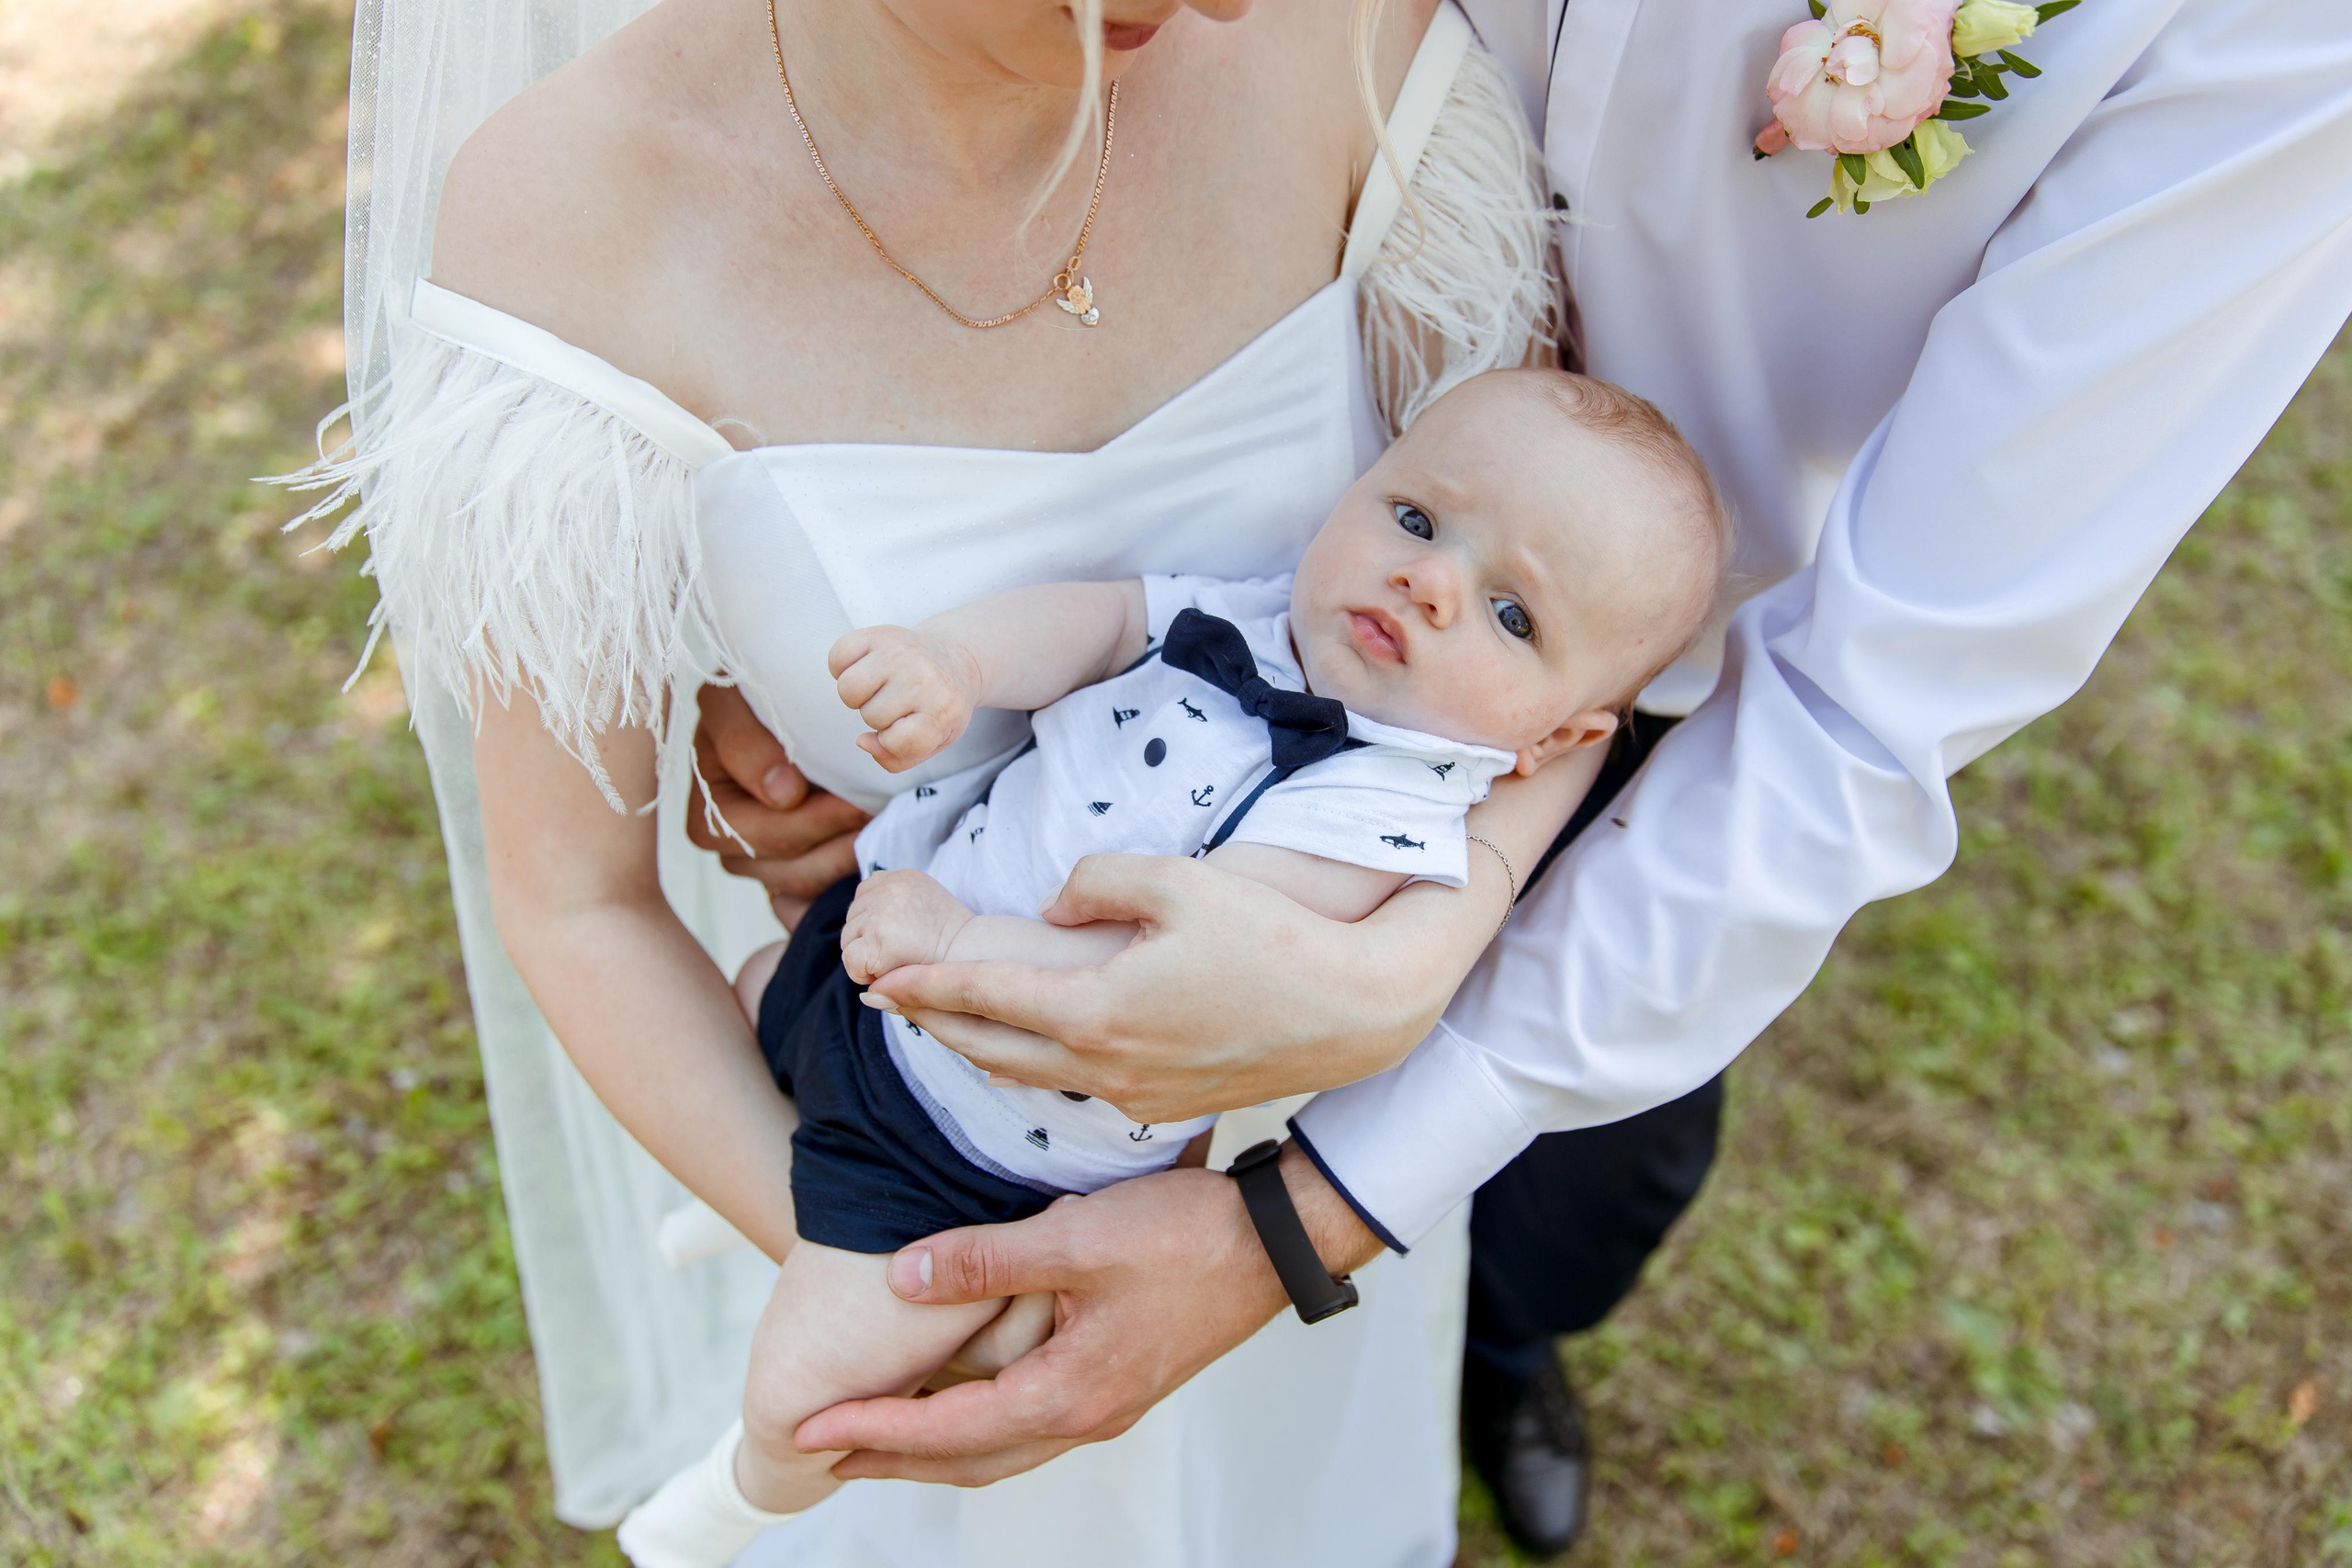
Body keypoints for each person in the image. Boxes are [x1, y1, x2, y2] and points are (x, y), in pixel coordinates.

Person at [695, 0, 2352, 1557]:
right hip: (1180, 442)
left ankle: (1504, 1345)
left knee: (1591, 1179)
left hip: (1593, 685)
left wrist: (1312, 1218)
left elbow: (1881, 695)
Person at [283, 0, 1577, 1562]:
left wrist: (1389, 1005)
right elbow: (574, 903)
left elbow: (1586, 655)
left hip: (1321, 1158)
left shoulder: (1347, 37)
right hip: (911, 1173)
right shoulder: (572, 214)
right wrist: (924, 1274)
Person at [616, 367, 1727, 1566]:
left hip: (970, 1150)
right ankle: (752, 1191)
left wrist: (955, 948)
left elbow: (1155, 968)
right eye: (1415, 517)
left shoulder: (1382, 831)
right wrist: (957, 664)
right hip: (862, 975)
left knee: (805, 1385)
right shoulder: (1251, 614)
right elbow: (1097, 621)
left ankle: (735, 1494)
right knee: (742, 1008)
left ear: (1554, 741)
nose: (1432, 578)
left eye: (1513, 616)